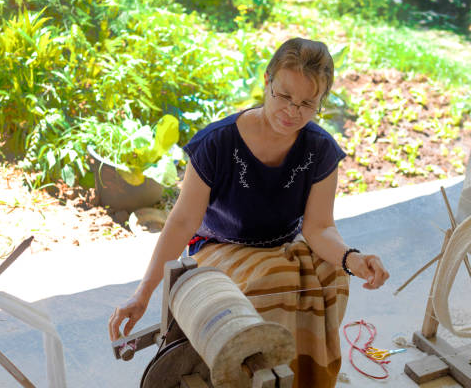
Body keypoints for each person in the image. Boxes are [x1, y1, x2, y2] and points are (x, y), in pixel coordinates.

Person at [108, 37, 389, 387]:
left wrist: (353, 259)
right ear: (267, 81)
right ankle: (248, 377)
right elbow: (182, 222)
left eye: (307, 103)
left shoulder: (320, 150)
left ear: (321, 102)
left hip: (281, 246)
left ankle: (304, 380)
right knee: (279, 279)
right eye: (284, 96)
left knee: (333, 276)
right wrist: (142, 294)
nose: (292, 111)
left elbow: (318, 228)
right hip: (218, 246)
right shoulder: (217, 143)